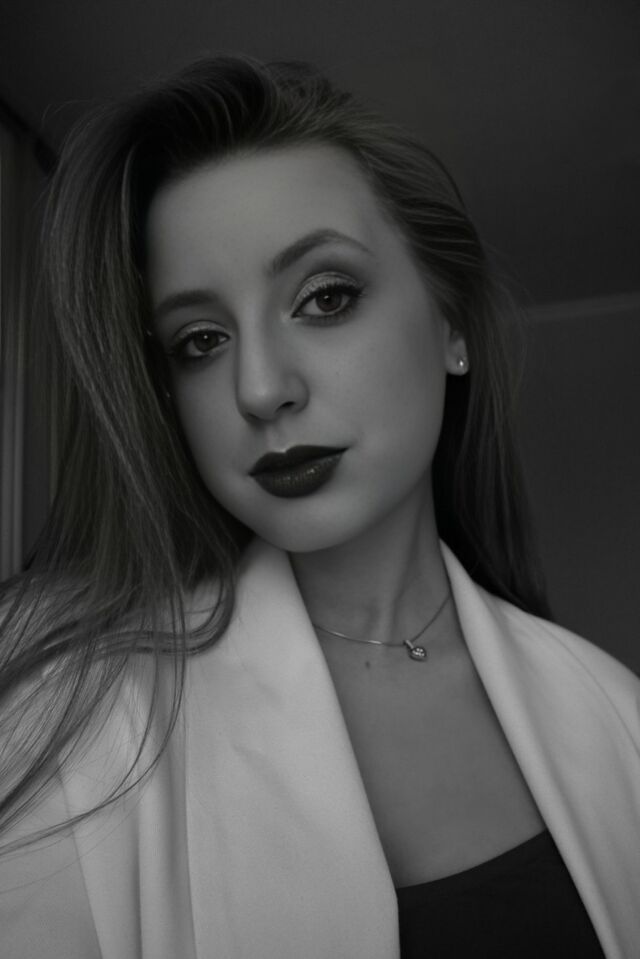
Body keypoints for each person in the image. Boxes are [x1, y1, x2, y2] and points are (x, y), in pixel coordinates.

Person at [0, 54, 638, 959]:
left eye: (325, 297)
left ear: (451, 325)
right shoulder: (70, 719)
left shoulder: (617, 716)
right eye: (200, 340)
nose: (260, 388)